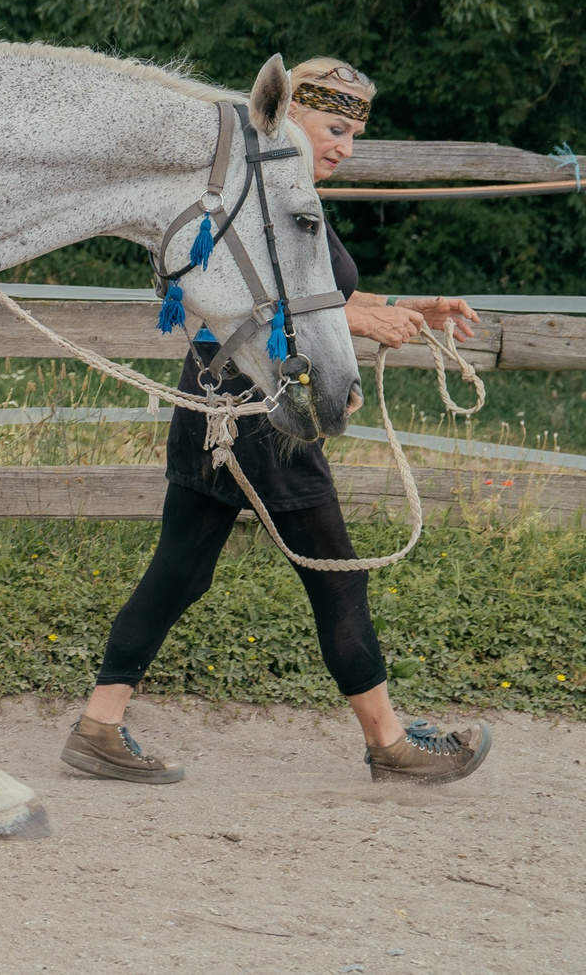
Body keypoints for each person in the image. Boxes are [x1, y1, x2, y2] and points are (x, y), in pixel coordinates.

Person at [63, 57, 495, 786]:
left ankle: (99, 724)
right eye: (335, 127)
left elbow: (315, 300)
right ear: (287, 114)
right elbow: (263, 308)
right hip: (264, 408)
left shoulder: (280, 197)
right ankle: (388, 739)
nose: (345, 147)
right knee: (336, 574)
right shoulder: (254, 195)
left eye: (355, 133)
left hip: (219, 400)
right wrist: (365, 316)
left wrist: (412, 309)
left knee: (180, 571)